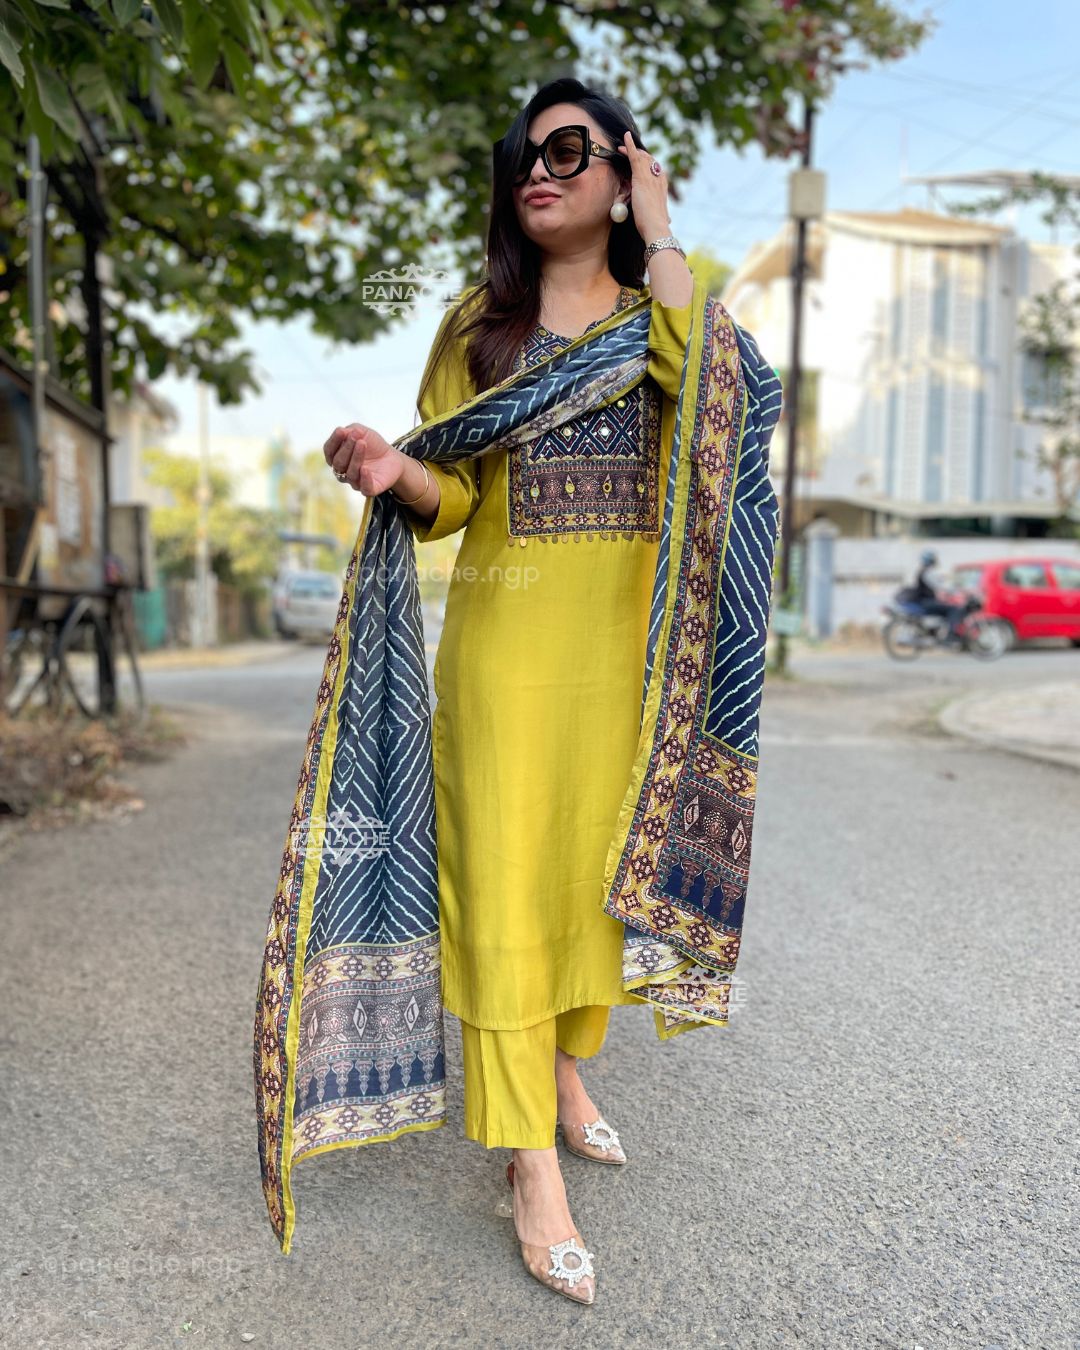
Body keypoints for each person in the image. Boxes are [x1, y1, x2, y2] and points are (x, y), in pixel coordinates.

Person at [289, 77, 779, 1303]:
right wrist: (396, 469)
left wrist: (661, 236)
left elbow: (719, 406)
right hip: (507, 661)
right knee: (506, 895)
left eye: (571, 149)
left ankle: (562, 1071)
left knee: (588, 892)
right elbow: (455, 493)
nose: (539, 171)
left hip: (632, 669)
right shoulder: (477, 327)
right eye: (525, 153)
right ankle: (527, 1163)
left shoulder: (667, 313)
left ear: (624, 172)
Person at [911, 549, 965, 643]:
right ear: (932, 560)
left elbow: (938, 584)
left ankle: (939, 633)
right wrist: (956, 592)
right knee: (955, 609)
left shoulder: (922, 571)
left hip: (924, 601)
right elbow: (940, 585)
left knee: (945, 607)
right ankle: (951, 636)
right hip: (927, 602)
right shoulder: (928, 573)